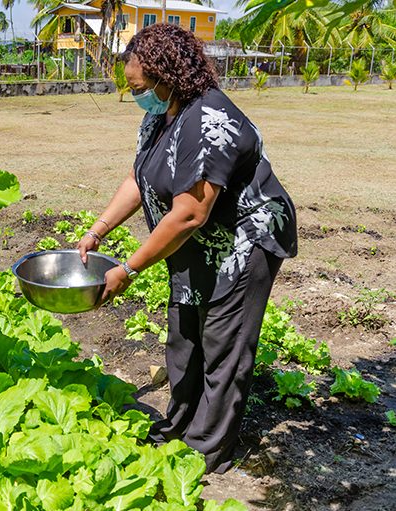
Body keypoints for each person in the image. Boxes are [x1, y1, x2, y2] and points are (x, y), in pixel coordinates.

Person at [77, 24, 297, 474]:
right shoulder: (161, 115)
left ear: (167, 75)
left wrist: (129, 269)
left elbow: (190, 214)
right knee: (183, 338)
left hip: (241, 242)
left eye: (139, 87)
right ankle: (177, 424)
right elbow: (139, 180)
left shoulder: (210, 119)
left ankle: (205, 452)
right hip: (195, 245)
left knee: (223, 346)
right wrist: (98, 229)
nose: (136, 94)